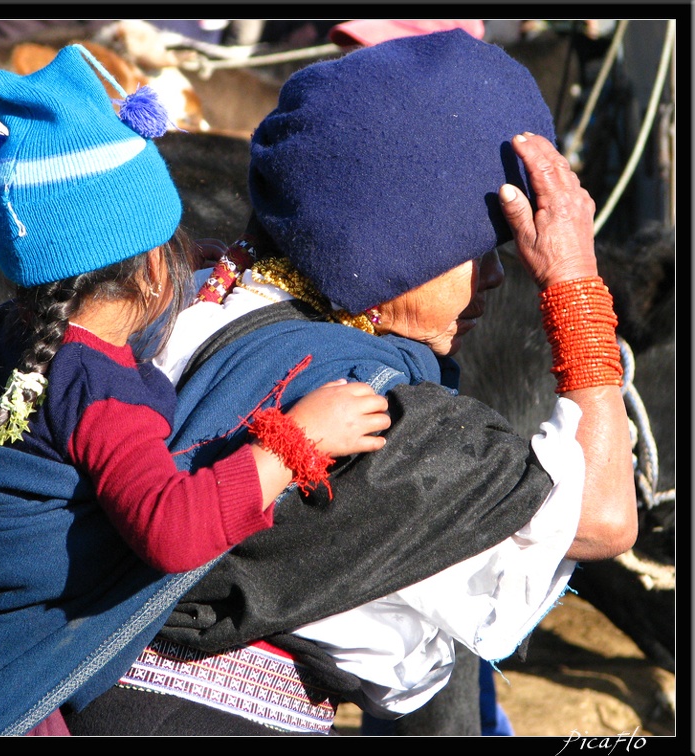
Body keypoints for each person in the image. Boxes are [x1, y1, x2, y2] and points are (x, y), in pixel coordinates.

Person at [61, 28, 637, 736]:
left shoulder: (189, 302)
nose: (492, 278)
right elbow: (603, 517)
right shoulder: (369, 415)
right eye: (468, 250)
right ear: (392, 248)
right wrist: (575, 285)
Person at [0, 43, 392, 737]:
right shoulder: (101, 394)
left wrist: (178, 270)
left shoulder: (10, 338)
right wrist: (294, 440)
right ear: (152, 271)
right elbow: (173, 532)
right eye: (172, 250)